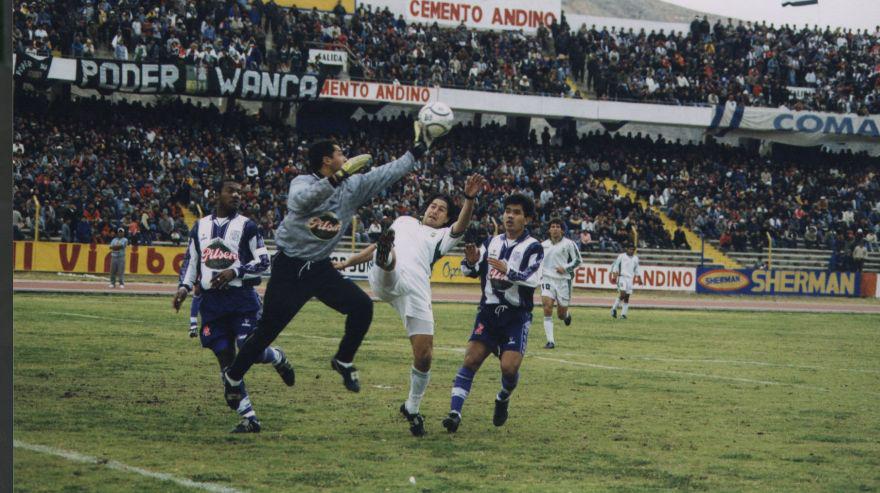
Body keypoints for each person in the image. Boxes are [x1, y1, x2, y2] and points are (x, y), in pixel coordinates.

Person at [219, 121, 440, 414]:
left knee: (362, 307)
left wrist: (417, 150)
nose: (345, 156)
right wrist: (335, 180)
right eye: (340, 153)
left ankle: (343, 360)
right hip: (290, 267)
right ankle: (233, 377)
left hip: (319, 268)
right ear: (327, 160)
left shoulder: (354, 186)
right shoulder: (302, 182)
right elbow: (299, 203)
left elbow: (388, 173)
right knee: (267, 330)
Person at [336, 174, 486, 436]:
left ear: (445, 218)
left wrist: (469, 199)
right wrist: (348, 263)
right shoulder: (404, 220)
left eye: (441, 210)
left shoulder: (441, 236)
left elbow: (461, 226)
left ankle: (412, 407)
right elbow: (373, 246)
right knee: (387, 255)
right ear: (425, 208)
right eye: (433, 206)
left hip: (416, 289)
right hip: (388, 277)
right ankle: (388, 259)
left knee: (425, 355)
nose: (435, 210)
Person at [173, 178, 295, 433]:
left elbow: (264, 261)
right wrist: (183, 288)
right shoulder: (200, 227)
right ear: (216, 195)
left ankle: (277, 356)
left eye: (240, 192)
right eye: (231, 191)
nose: (237, 195)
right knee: (225, 360)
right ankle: (249, 418)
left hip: (241, 300)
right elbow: (191, 261)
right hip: (212, 304)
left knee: (249, 348)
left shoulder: (247, 226)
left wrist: (234, 271)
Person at [441, 193, 544, 433]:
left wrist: (509, 271)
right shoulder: (491, 242)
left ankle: (503, 397)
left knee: (509, 368)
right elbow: (471, 270)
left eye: (516, 212)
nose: (510, 216)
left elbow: (533, 278)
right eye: (508, 210)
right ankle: (454, 413)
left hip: (516, 317)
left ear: (526, 219)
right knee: (471, 359)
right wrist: (470, 261)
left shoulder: (534, 247)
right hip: (488, 313)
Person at [540, 218, 582, 349]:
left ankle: (566, 315)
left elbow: (578, 261)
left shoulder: (569, 244)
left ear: (562, 230)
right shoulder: (543, 245)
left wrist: (565, 268)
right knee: (547, 307)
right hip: (547, 279)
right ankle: (550, 341)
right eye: (552, 226)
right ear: (549, 229)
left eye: (558, 226)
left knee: (560, 314)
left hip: (563, 281)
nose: (555, 228)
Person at [610, 243, 640, 320]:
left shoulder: (635, 258)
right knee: (622, 294)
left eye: (633, 250)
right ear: (627, 249)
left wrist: (639, 278)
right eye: (630, 249)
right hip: (622, 277)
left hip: (630, 279)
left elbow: (636, 269)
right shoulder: (622, 256)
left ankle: (623, 314)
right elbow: (616, 266)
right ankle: (613, 308)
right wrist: (614, 276)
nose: (631, 251)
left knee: (627, 297)